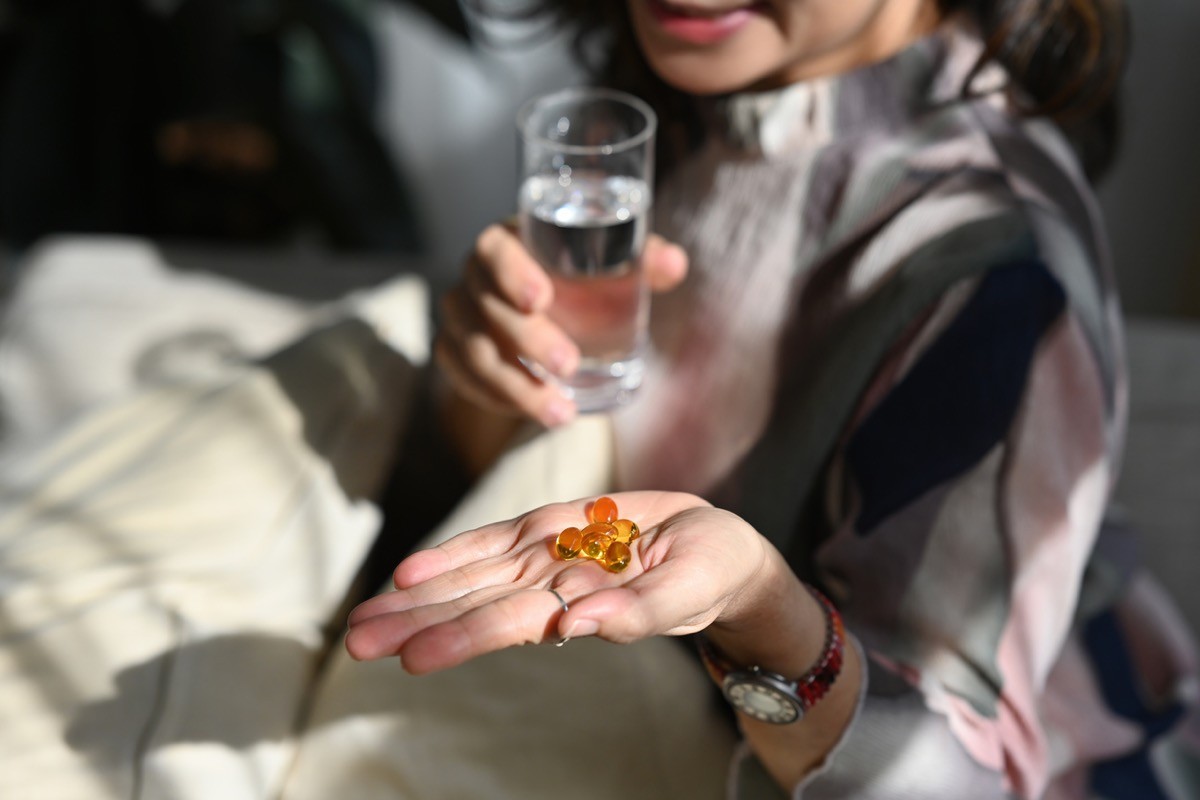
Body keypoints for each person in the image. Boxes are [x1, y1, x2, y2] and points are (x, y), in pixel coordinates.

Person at [346, 0, 1200, 798]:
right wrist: (497, 373)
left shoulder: (993, 268)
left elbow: (957, 774)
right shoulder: (688, 104)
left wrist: (763, 613)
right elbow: (516, 466)